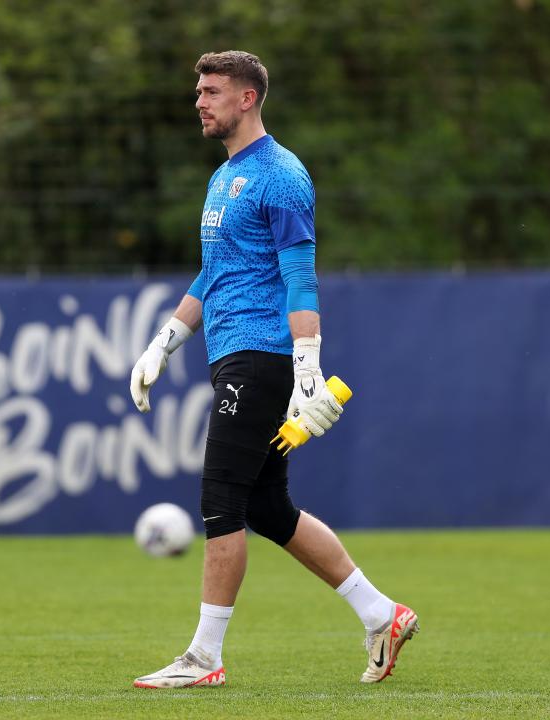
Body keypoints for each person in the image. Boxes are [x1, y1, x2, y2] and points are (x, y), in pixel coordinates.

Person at [129, 50, 418, 688]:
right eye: (198, 91)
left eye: (211, 91)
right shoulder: (224, 175)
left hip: (263, 358)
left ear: (247, 98)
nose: (199, 101)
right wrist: (164, 342)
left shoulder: (281, 175)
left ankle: (204, 658)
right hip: (234, 353)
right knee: (267, 505)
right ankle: (382, 614)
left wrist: (307, 364)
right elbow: (214, 271)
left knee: (220, 498)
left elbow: (299, 275)